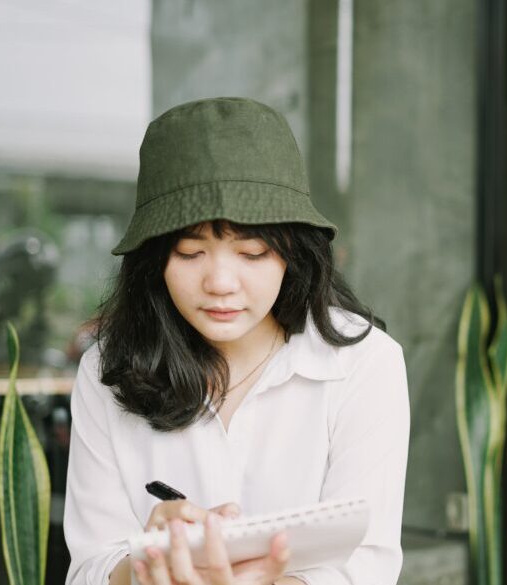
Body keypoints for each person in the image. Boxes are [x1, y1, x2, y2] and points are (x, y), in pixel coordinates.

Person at [63, 97, 410, 585]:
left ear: (293, 252)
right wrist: (143, 569)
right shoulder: (108, 369)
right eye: (190, 252)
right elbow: (88, 569)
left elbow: (366, 566)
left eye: (252, 252)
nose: (221, 282)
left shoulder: (363, 363)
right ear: (154, 260)